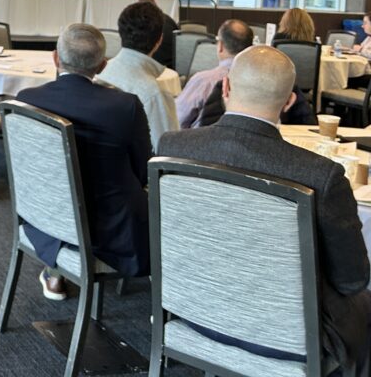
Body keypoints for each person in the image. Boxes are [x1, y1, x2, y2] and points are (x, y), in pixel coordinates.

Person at [158, 46, 371, 375]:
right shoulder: (320, 175)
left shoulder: (172, 148)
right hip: (288, 337)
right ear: (289, 102)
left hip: (191, 311)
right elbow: (353, 279)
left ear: (226, 88)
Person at [16, 24, 151, 300]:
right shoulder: (125, 106)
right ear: (102, 65)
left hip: (43, 218)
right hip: (109, 229)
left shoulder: (27, 100)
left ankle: (55, 272)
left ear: (55, 58)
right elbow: (142, 169)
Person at [98, 1, 177, 149]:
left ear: (120, 33)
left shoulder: (101, 74)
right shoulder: (153, 94)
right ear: (159, 40)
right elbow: (167, 153)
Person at [175, 19, 254, 128]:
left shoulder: (203, 81)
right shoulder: (257, 83)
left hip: (200, 142)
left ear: (220, 46)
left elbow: (176, 120)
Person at [137, 0, 176, 69]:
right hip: (173, 64)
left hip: (152, 65)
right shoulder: (169, 20)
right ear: (155, 3)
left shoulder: (142, 24)